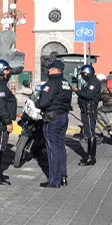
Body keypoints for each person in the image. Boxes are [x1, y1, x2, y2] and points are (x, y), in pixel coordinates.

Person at [34, 59, 72, 188]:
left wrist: (37, 103)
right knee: (61, 147)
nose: (48, 70)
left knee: (52, 149)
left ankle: (54, 180)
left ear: (56, 70)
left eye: (50, 69)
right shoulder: (66, 83)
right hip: (63, 117)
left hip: (52, 119)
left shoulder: (51, 83)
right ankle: (63, 176)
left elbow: (43, 102)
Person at [76, 63, 102, 166]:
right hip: (85, 110)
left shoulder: (94, 82)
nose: (82, 76)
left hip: (89, 110)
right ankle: (89, 156)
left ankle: (91, 158)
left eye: (84, 73)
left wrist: (77, 91)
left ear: (88, 73)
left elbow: (88, 95)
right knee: (88, 133)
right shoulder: (89, 82)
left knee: (91, 134)